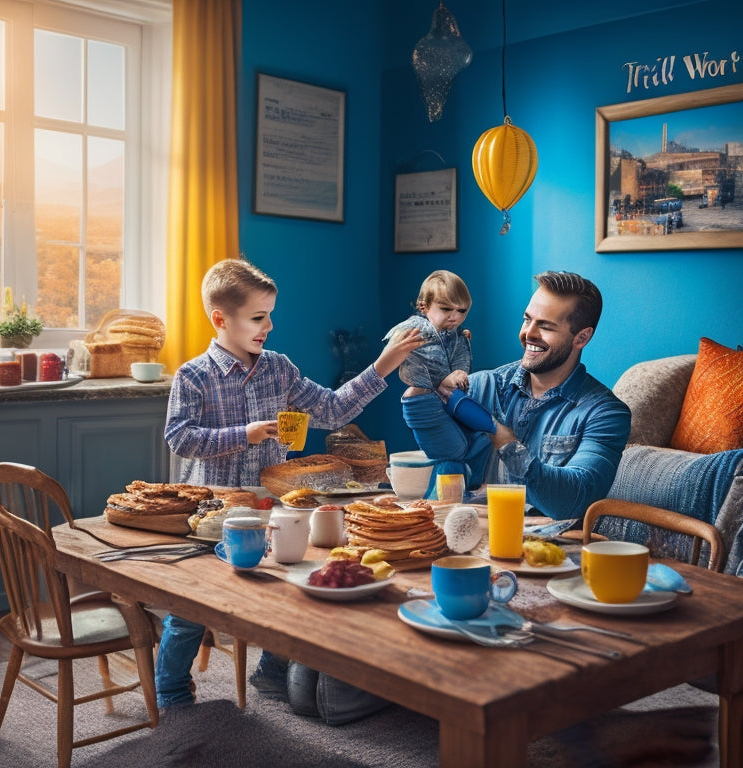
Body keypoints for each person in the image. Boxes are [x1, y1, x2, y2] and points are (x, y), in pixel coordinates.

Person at [156, 257, 424, 717]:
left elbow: (335, 410)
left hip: (273, 509)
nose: (269, 326)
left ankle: (271, 670)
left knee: (281, 593)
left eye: (269, 315)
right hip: (215, 514)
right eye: (258, 317)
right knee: (190, 610)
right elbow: (179, 438)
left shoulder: (279, 369)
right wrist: (248, 433)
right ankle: (172, 693)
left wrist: (382, 366)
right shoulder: (192, 375)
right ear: (221, 319)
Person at [402, 270, 632, 520]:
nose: (528, 333)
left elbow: (573, 499)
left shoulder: (605, 414)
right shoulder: (481, 387)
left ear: (582, 337)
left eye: (545, 326)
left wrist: (504, 440)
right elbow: (443, 450)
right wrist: (419, 397)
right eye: (527, 319)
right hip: (461, 545)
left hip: (544, 553)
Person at [383, 270, 495, 440]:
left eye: (462, 310)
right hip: (425, 398)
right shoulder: (414, 330)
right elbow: (415, 362)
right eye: (446, 309)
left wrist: (462, 348)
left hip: (448, 399)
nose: (455, 316)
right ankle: (496, 432)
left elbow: (461, 365)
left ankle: (493, 431)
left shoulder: (457, 335)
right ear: (424, 307)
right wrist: (442, 379)